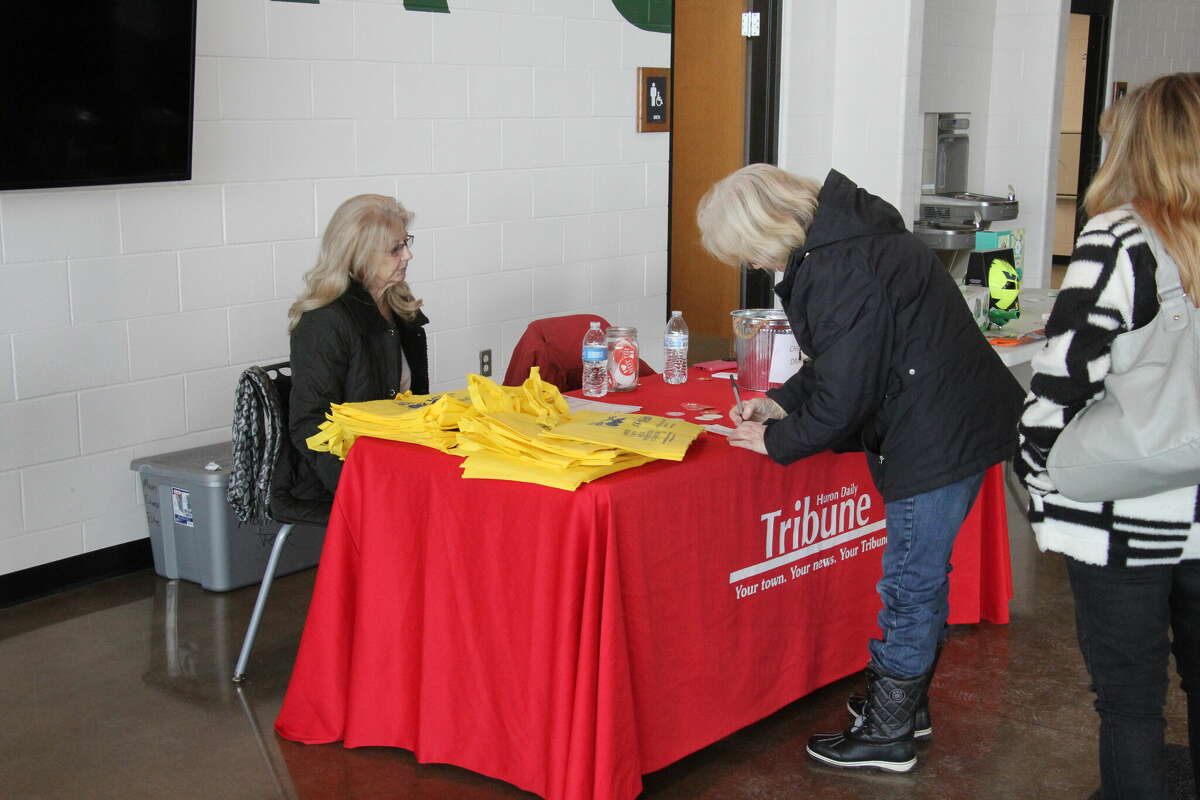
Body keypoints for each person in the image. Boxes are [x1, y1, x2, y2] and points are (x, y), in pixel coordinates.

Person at [696, 164, 1024, 773]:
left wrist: (777, 440)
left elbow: (848, 391)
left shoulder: (838, 266)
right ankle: (905, 706)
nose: (756, 266)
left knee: (909, 582)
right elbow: (845, 358)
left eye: (748, 253)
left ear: (765, 228)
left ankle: (889, 732)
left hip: (935, 430)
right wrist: (784, 401)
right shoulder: (850, 240)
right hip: (947, 416)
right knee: (918, 576)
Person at [1016, 72, 1200, 799]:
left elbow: (1063, 379)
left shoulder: (1119, 239)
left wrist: (1035, 472)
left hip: (1125, 515)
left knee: (1129, 701)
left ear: (1132, 143)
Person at [287, 194, 429, 502]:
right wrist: (360, 489)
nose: (408, 256)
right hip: (345, 477)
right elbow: (310, 425)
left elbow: (414, 403)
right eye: (396, 248)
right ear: (359, 254)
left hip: (396, 463)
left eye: (406, 242)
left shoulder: (400, 307)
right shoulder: (324, 320)